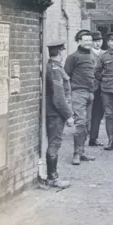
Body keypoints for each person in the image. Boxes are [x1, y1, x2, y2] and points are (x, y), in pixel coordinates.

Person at [43, 40, 74, 189]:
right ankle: (52, 178)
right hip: (55, 114)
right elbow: (59, 97)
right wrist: (68, 115)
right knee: (55, 143)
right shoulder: (55, 69)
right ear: (60, 53)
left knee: (54, 143)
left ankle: (51, 176)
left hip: (54, 113)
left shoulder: (53, 67)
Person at [64, 29, 97, 165]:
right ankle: (76, 154)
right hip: (78, 94)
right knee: (80, 123)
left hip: (90, 94)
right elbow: (66, 77)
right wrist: (68, 96)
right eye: (86, 40)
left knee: (86, 124)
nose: (89, 43)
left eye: (90, 40)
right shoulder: (73, 57)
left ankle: (82, 152)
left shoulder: (93, 56)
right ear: (79, 42)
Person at [88, 31, 105, 147]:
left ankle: (93, 138)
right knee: (86, 113)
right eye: (95, 41)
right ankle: (83, 136)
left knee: (98, 113)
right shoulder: (86, 54)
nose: (97, 43)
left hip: (102, 87)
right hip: (89, 87)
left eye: (99, 41)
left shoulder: (105, 54)